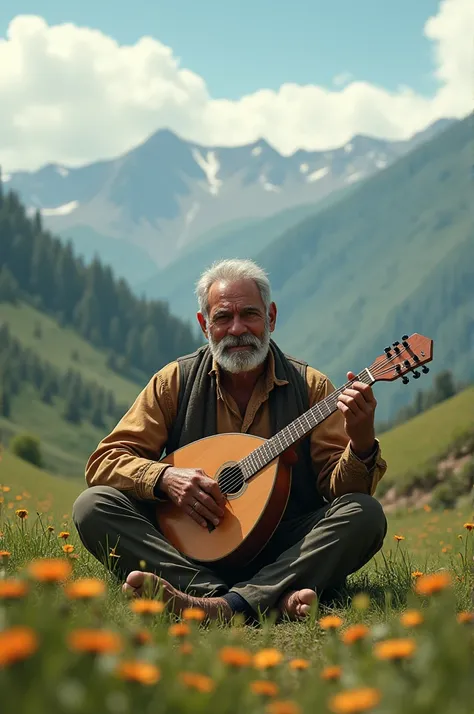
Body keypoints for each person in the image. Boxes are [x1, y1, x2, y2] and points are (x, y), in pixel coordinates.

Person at [73, 258, 387, 622]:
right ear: (204, 324)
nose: (238, 329)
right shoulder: (175, 381)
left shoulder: (311, 386)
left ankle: (221, 606)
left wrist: (361, 444)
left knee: (364, 514)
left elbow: (340, 491)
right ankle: (245, 597)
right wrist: (164, 478)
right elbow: (105, 460)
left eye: (249, 315)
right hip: (190, 544)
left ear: (271, 317)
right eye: (223, 318)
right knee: (93, 506)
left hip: (282, 547)